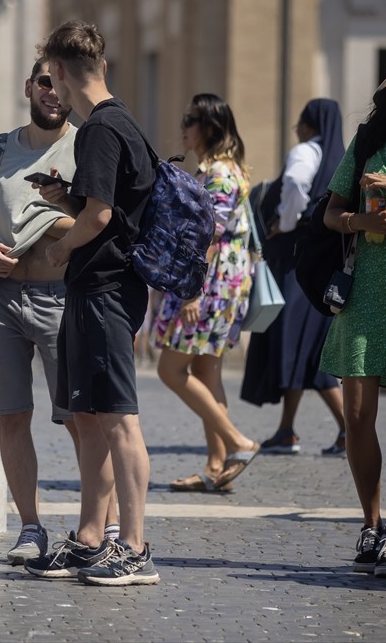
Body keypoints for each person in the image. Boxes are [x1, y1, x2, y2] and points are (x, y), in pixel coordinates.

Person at [0, 56, 119, 566]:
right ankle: (30, 528)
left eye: (60, 82)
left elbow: (105, 220)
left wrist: (60, 220)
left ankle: (105, 527)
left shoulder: (89, 144)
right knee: (11, 417)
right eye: (44, 81)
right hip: (0, 300)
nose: (52, 91)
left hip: (64, 298)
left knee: (83, 419)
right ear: (29, 86)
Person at [22, 20, 159, 586]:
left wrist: (61, 243)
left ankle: (134, 546)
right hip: (98, 286)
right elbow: (108, 202)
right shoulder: (119, 121)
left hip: (105, 286)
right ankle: (89, 538)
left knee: (119, 418)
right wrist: (68, 196)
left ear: (56, 73)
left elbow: (101, 218)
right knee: (89, 414)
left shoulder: (101, 129)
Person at [320, 50, 386, 579]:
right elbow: (330, 213)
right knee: (357, 415)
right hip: (364, 297)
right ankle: (371, 523)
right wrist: (358, 218)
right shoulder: (366, 145)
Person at [152, 94, 260, 493]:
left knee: (170, 369)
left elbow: (209, 236)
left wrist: (192, 294)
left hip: (211, 286)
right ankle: (217, 466)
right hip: (222, 284)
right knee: (205, 371)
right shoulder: (220, 169)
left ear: (209, 128)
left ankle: (238, 443)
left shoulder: (219, 173)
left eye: (190, 120)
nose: (183, 126)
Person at [241, 99, 347, 456]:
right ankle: (288, 429)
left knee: (302, 348)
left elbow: (295, 183)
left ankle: (343, 430)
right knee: (305, 350)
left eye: (299, 124)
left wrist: (283, 223)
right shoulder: (341, 158)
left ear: (308, 124)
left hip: (294, 265)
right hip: (322, 265)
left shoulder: (305, 151)